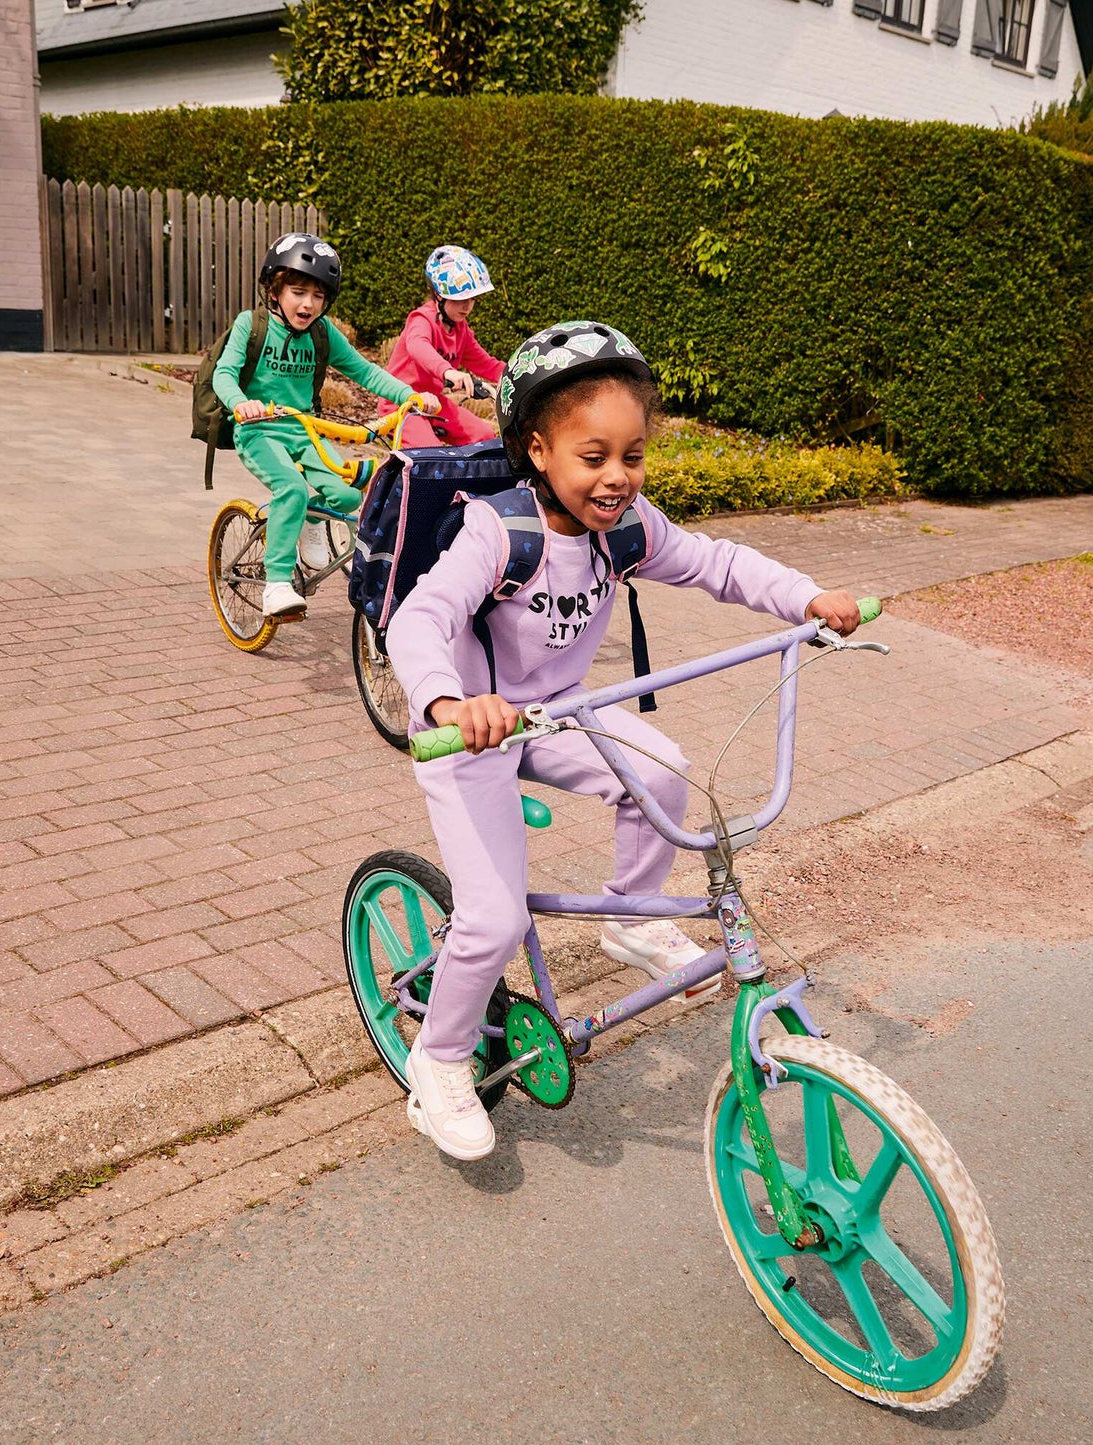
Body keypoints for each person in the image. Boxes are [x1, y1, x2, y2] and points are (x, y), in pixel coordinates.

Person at [385, 321, 861, 1160]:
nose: (616, 477)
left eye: (631, 455)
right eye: (592, 455)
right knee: (493, 920)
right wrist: (449, 704)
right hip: (474, 734)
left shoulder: (630, 527)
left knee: (665, 770)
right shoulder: (498, 533)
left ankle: (631, 918)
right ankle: (441, 1059)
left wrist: (805, 598)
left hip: (566, 706)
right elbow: (420, 618)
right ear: (538, 451)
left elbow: (716, 562)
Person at [213, 232, 440, 619]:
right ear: (274, 290)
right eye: (299, 292)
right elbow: (223, 374)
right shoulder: (251, 325)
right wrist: (241, 403)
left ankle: (308, 524)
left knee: (348, 496)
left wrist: (408, 396)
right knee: (291, 489)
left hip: (305, 431)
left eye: (318, 296)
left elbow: (365, 371)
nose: (308, 304)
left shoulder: (321, 333)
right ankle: (277, 584)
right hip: (258, 430)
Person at [380, 245, 505, 450]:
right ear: (438, 294)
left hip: (433, 404)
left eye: (472, 299)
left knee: (485, 438)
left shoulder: (460, 329)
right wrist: (448, 371)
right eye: (461, 299)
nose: (468, 306)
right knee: (432, 454)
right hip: (402, 403)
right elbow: (418, 346)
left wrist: (516, 375)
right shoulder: (422, 318)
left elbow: (486, 364)